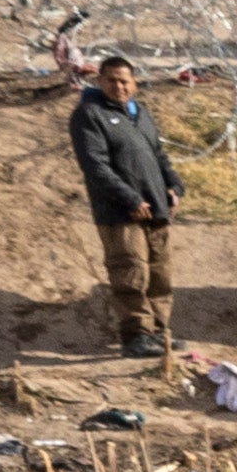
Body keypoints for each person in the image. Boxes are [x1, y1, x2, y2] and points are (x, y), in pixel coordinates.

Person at [68, 54, 178, 358]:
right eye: (111, 80)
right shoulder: (89, 115)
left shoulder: (139, 114)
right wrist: (129, 198)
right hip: (120, 212)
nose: (119, 86)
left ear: (135, 83)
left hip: (155, 207)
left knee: (159, 273)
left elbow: (159, 156)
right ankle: (136, 335)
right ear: (100, 81)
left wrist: (173, 186)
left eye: (124, 80)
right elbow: (96, 166)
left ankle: (159, 331)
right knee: (130, 272)